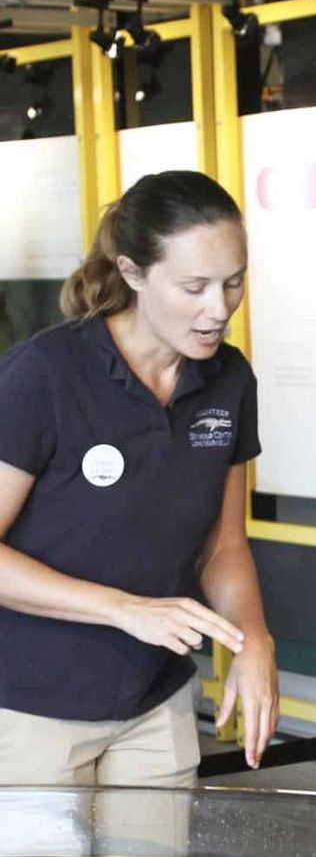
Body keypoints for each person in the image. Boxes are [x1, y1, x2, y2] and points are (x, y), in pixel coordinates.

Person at [0, 169, 278, 788]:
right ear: (131, 273)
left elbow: (222, 545)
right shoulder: (44, 374)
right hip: (30, 705)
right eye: (194, 286)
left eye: (233, 282)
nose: (219, 308)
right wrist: (124, 610)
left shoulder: (228, 381)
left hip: (156, 699)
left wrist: (253, 639)